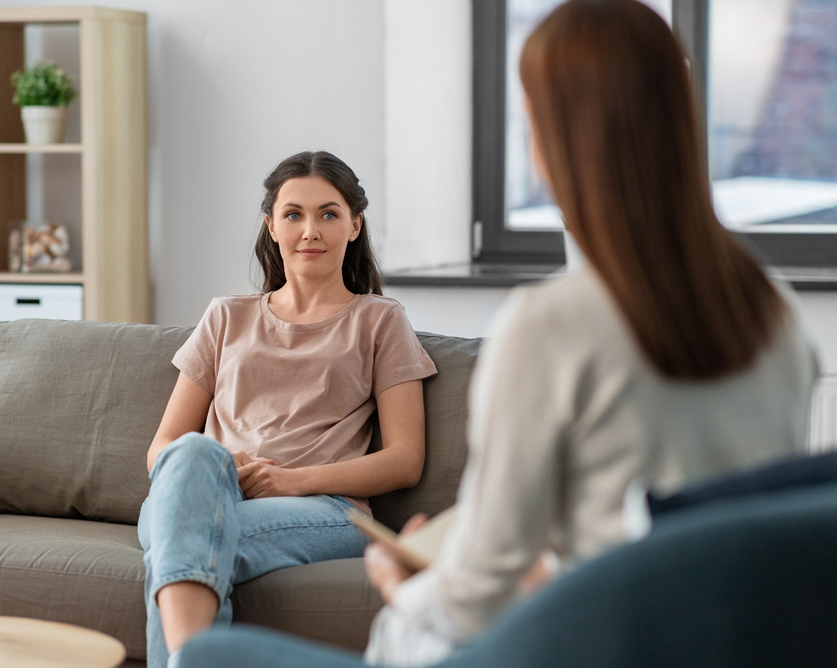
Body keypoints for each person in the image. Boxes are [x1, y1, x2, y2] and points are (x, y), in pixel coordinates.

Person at [175, 1, 818, 667]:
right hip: (710, 640)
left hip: (570, 647)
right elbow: (704, 536)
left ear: (551, 141)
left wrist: (407, 586)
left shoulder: (549, 328)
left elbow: (475, 592)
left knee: (209, 659)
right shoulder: (772, 311)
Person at [138, 150, 438, 667]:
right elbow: (162, 450)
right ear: (272, 227)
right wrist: (225, 468)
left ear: (354, 224)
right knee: (190, 459)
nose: (310, 231)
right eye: (293, 214)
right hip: (205, 492)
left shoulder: (380, 321)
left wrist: (292, 479)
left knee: (185, 549)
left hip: (323, 508)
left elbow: (405, 459)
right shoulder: (225, 316)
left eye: (329, 213)